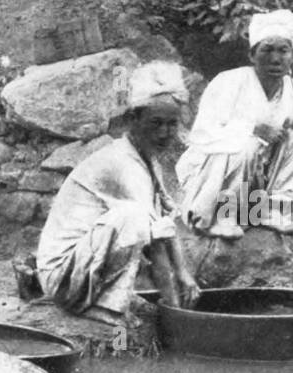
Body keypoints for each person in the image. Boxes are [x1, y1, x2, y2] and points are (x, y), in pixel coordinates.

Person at [35, 61, 200, 325]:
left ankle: (102, 300)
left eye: (171, 124)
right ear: (134, 119)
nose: (164, 133)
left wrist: (183, 273)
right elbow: (155, 240)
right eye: (156, 123)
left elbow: (165, 222)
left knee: (143, 221)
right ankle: (98, 307)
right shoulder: (121, 163)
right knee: (133, 217)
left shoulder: (146, 158)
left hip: (81, 265)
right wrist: (176, 310)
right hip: (62, 277)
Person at [176, 9, 293, 239]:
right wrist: (251, 128)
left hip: (262, 181)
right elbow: (202, 135)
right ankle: (223, 216)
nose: (275, 58)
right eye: (267, 50)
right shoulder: (228, 82)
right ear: (252, 55)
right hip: (216, 177)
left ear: (292, 56)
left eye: (283, 51)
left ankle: (270, 209)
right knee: (247, 143)